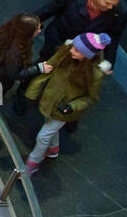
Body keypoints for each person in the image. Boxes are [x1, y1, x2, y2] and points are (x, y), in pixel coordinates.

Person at [22, 32, 109, 172]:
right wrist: (32, 92)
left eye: (77, 50)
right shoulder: (66, 51)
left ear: (87, 55)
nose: (72, 50)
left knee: (43, 136)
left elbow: (91, 98)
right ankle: (53, 150)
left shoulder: (94, 74)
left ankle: (31, 165)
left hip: (65, 109)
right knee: (50, 126)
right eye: (73, 47)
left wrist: (71, 106)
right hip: (50, 99)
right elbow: (50, 67)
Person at [34, 0, 127, 71]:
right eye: (107, 3)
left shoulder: (120, 11)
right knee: (40, 69)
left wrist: (109, 61)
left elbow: (114, 36)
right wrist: (31, 25)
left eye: (113, 4)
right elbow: (51, 9)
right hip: (56, 42)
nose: (110, 7)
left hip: (82, 55)